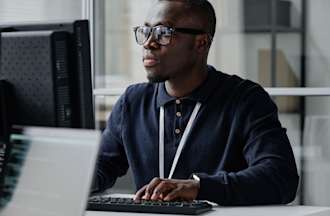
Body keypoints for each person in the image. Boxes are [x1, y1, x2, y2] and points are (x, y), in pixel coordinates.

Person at [93, 0, 299, 205]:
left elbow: (280, 177)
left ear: (201, 43)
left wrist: (199, 187)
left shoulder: (246, 100)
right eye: (145, 32)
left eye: (163, 33)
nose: (148, 43)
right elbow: (101, 167)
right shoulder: (132, 101)